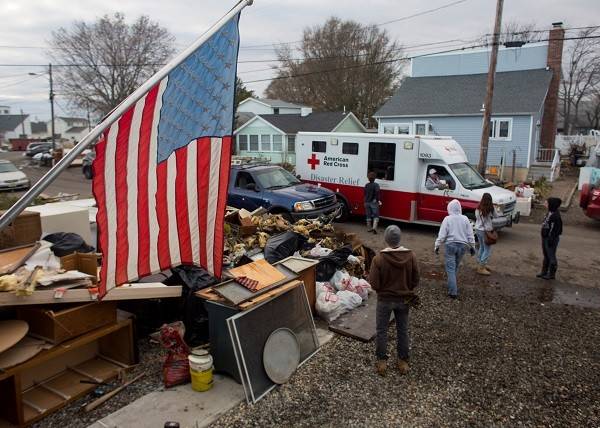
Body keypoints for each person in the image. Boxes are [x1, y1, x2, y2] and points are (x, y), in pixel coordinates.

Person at [369, 225, 419, 377]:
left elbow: (374, 284)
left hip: (384, 300)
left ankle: (382, 362)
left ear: (386, 239)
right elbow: (415, 280)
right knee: (402, 330)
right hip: (404, 299)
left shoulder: (378, 259)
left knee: (382, 330)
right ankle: (403, 361)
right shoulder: (411, 256)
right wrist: (405, 288)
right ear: (399, 238)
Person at [434, 199, 475, 299]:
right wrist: (472, 246)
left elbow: (442, 235)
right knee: (455, 267)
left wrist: (437, 245)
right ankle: (452, 284)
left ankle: (453, 291)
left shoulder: (447, 219)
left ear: (450, 208)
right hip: (463, 246)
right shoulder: (465, 219)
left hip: (450, 245)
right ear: (460, 208)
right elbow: (470, 234)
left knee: (450, 269)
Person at [537, 197, 563, 280]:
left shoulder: (556, 216)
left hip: (550, 238)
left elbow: (556, 229)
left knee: (551, 255)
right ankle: (544, 271)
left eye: (547, 203)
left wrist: (551, 238)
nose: (545, 204)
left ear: (551, 205)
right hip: (545, 237)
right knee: (546, 255)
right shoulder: (550, 212)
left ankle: (551, 274)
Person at [474, 193, 497, 276]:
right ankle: (481, 267)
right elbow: (496, 216)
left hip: (477, 229)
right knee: (487, 249)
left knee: (482, 247)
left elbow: (476, 217)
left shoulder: (478, 208)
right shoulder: (491, 208)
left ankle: (480, 264)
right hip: (486, 231)